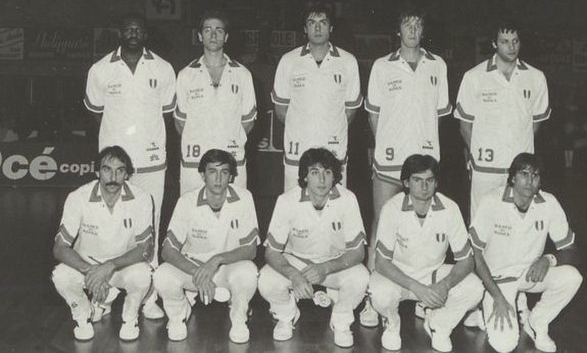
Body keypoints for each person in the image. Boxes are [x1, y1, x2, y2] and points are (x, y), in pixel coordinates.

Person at [361, 8, 451, 327]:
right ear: (397, 29)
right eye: (406, 24)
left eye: (418, 23)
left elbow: (439, 114)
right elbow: (373, 116)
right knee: (380, 223)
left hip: (425, 160)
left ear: (423, 29)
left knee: (423, 227)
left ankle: (420, 298)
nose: (412, 29)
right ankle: (373, 301)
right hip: (389, 158)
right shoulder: (381, 67)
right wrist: (390, 140)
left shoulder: (437, 65)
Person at [84, 12, 176, 318]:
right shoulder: (99, 70)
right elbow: (97, 113)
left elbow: (166, 113)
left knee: (151, 223)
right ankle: (103, 291)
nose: (133, 32)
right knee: (110, 225)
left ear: (146, 34)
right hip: (114, 165)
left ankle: (148, 295)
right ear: (120, 33)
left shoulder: (163, 68)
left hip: (151, 160)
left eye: (138, 29)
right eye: (128, 28)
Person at [368, 155, 483, 352]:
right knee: (379, 292)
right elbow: (381, 263)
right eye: (417, 180)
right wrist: (417, 288)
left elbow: (466, 260)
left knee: (475, 288)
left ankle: (439, 325)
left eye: (429, 180)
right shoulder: (392, 208)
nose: (424, 186)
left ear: (436, 183)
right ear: (406, 182)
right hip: (399, 276)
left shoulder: (450, 208)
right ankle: (392, 324)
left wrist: (444, 285)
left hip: (433, 275)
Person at [469, 153, 582, 353]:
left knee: (572, 277)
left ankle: (537, 322)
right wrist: (498, 297)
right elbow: (475, 256)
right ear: (512, 178)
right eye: (524, 174)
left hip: (529, 275)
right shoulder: (491, 201)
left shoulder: (549, 202)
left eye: (535, 176)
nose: (530, 181)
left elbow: (572, 250)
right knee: (505, 346)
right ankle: (484, 307)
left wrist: (548, 259)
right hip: (498, 281)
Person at [258, 148, 369, 348]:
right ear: (304, 176)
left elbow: (358, 253)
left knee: (361, 277)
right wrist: (293, 275)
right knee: (266, 279)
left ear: (335, 176)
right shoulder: (286, 200)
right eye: (314, 172)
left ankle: (342, 320)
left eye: (327, 172)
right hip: (297, 261)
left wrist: (325, 268)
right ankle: (286, 315)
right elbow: (271, 252)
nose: (322, 180)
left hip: (333, 263)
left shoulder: (348, 198)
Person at [153, 149, 259, 343]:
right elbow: (167, 250)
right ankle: (177, 315)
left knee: (249, 272)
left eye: (224, 172)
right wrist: (198, 273)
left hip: (227, 267)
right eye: (212, 171)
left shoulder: (244, 198)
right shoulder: (186, 201)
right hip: (194, 269)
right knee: (161, 275)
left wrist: (216, 260)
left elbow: (251, 249)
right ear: (202, 175)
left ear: (231, 176)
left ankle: (238, 318)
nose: (218, 178)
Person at [51, 146, 154, 341]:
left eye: (120, 170)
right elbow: (60, 247)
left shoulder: (142, 198)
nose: (113, 176)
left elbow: (145, 250)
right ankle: (83, 316)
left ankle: (130, 318)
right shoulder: (78, 197)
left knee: (143, 275)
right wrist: (91, 271)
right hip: (87, 267)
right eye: (107, 169)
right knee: (60, 276)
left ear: (127, 174)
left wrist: (110, 266)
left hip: (122, 266)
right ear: (97, 172)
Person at [454, 21, 550, 221]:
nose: (511, 47)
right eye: (505, 41)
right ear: (494, 44)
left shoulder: (536, 77)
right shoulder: (474, 77)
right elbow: (465, 126)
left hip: (521, 169)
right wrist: (479, 155)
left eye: (515, 41)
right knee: (482, 222)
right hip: (485, 169)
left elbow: (535, 125)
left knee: (517, 223)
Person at [272, 2, 362, 191]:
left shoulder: (348, 62)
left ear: (331, 27)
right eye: (312, 23)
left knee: (333, 209)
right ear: (305, 29)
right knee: (295, 208)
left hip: (334, 149)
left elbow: (351, 110)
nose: (318, 27)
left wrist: (329, 127)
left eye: (323, 22)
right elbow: (281, 110)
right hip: (298, 149)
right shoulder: (289, 61)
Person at [174, 10, 257, 194]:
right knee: (193, 216)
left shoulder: (242, 74)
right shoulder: (186, 75)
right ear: (199, 35)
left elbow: (248, 122)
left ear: (226, 37)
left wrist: (226, 138)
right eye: (208, 30)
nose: (213, 35)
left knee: (234, 214)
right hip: (194, 161)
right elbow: (180, 124)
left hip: (232, 159)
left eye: (219, 30)